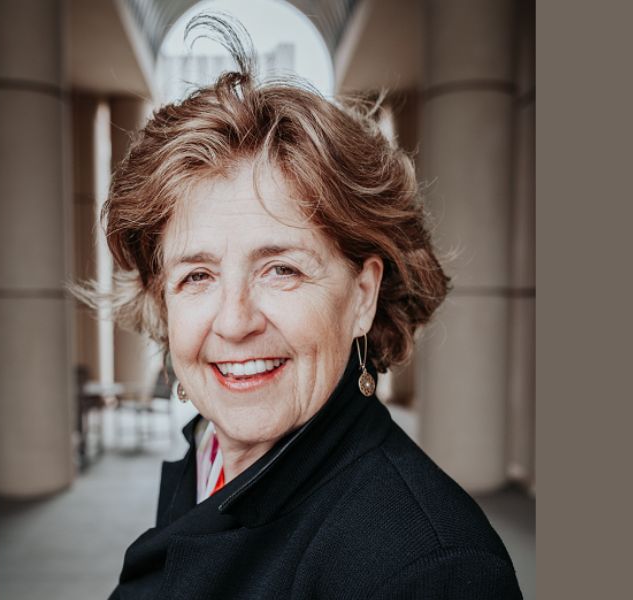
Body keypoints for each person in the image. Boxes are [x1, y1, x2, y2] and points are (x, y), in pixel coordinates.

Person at [94, 17, 522, 600]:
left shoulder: (430, 568)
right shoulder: (209, 454)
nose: (235, 320)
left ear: (362, 296)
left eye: (282, 269)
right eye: (197, 275)